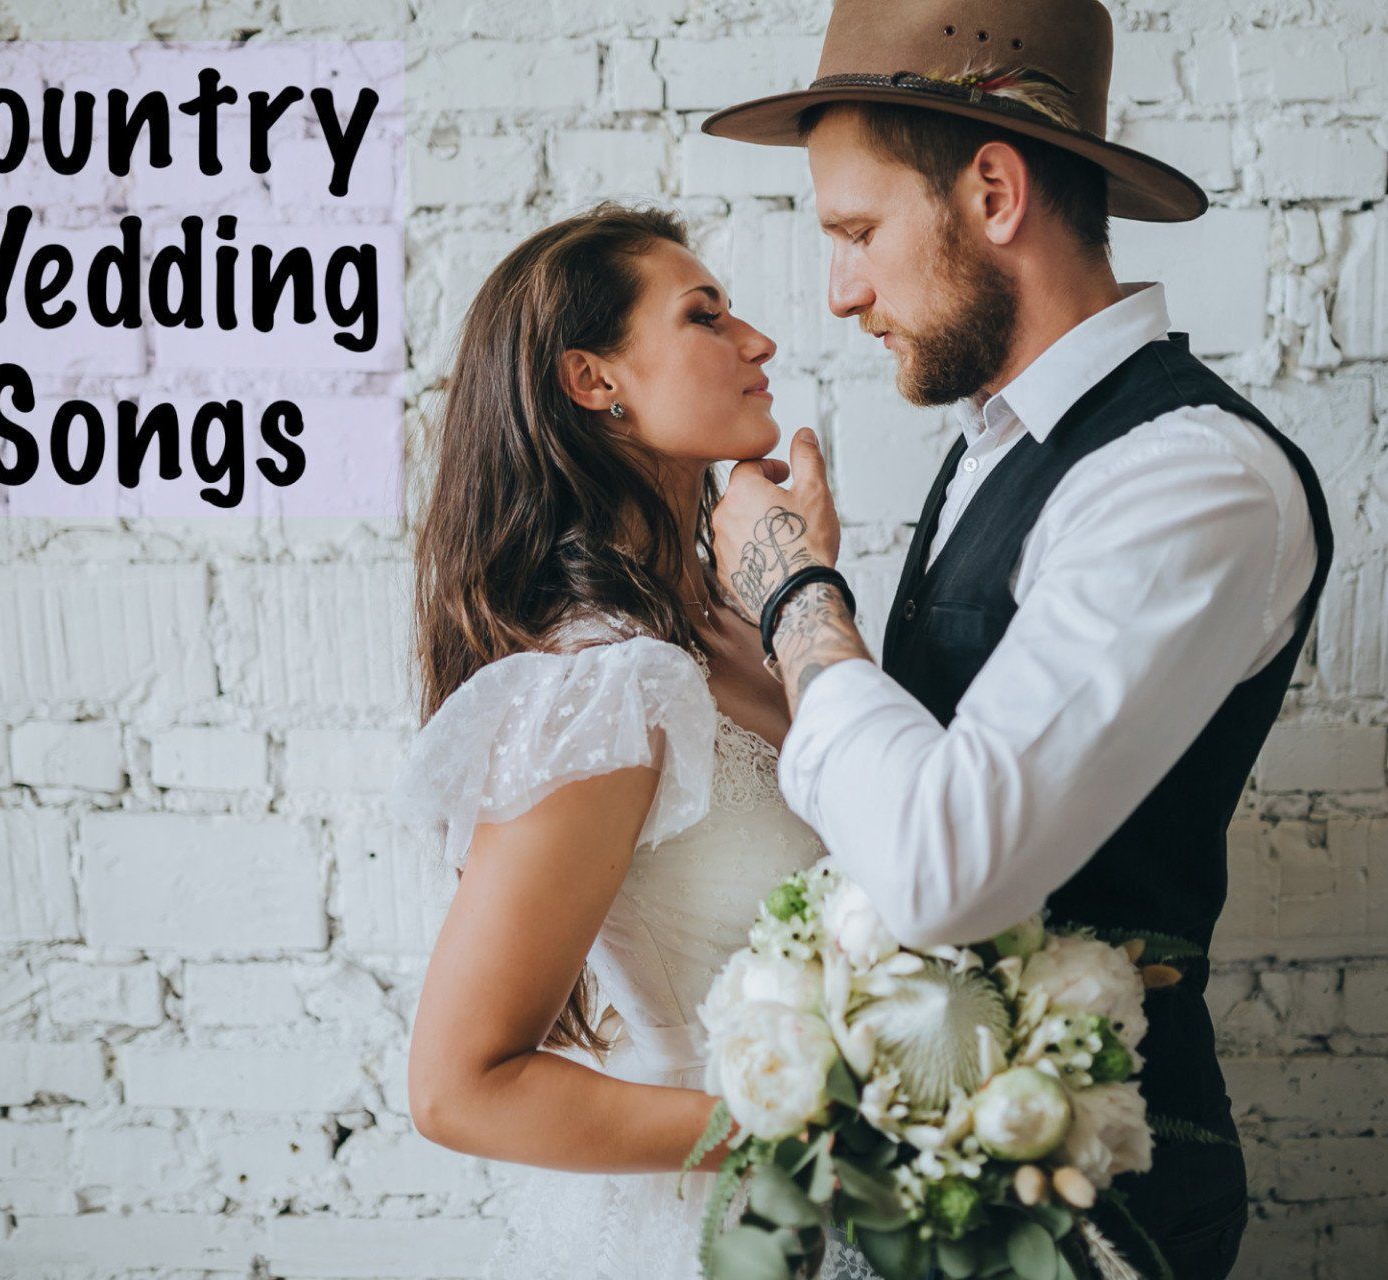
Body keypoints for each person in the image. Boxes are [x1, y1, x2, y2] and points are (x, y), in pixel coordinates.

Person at [700, 0, 1338, 1274]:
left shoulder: (1188, 477)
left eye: (858, 232)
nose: (840, 294)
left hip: (1100, 1203)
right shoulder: (999, 449)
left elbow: (950, 866)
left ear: (993, 189)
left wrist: (795, 595)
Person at [395, 203, 890, 1279]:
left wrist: (805, 593)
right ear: (594, 380)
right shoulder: (600, 682)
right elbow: (457, 1083)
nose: (757, 340)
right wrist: (798, 1134)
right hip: (720, 1230)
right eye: (706, 316)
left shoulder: (732, 620)